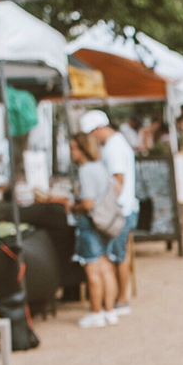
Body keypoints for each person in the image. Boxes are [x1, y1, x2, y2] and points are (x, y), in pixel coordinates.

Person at [80, 110, 140, 316]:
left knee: (117, 256)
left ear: (98, 129)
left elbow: (118, 183)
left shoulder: (113, 147)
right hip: (122, 209)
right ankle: (119, 299)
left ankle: (121, 299)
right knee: (117, 255)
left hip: (119, 211)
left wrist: (101, 206)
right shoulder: (117, 143)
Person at [68, 131, 119, 328]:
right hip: (105, 224)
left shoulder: (85, 171)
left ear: (82, 149)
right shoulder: (100, 167)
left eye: (74, 148)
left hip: (91, 225)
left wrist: (73, 207)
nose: (71, 152)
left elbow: (88, 203)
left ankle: (96, 312)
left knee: (92, 270)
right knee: (106, 266)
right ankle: (110, 310)